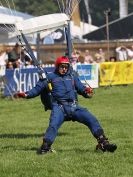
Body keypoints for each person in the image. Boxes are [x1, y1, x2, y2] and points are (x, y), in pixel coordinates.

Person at [14, 56, 117, 154]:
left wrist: (87, 91)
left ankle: (103, 143)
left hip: (74, 107)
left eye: (66, 67)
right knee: (53, 125)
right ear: (57, 66)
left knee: (91, 119)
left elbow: (81, 88)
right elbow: (36, 90)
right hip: (59, 108)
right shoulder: (49, 77)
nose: (64, 69)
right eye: (62, 67)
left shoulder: (72, 76)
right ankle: (46, 146)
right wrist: (26, 94)